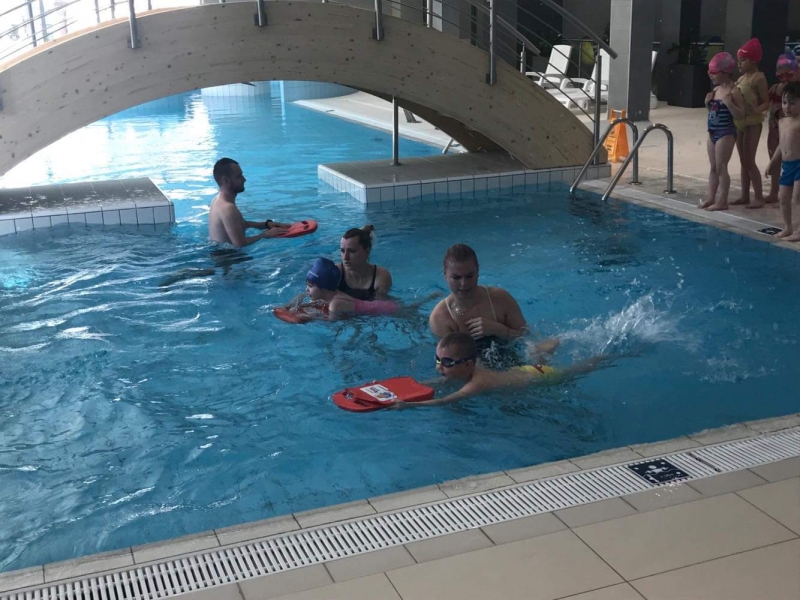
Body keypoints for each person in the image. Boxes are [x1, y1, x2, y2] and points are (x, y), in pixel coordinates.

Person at [392, 332, 606, 408]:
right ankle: (544, 350)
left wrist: (409, 405)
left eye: (446, 362)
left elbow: (444, 400)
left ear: (467, 365)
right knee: (538, 362)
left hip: (540, 377)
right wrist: (400, 389)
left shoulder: (478, 383)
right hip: (522, 370)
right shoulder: (464, 369)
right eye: (438, 360)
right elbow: (438, 383)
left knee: (573, 372)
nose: (439, 366)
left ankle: (603, 357)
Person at [429, 244, 557, 367]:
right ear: (445, 275)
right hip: (477, 372)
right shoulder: (441, 318)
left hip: (511, 358)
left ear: (478, 271)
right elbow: (450, 365)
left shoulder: (500, 299)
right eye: (456, 277)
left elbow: (527, 336)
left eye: (469, 276)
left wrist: (501, 330)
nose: (464, 283)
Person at [208, 158, 290, 247]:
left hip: (219, 251)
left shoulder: (217, 200)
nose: (244, 179)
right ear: (226, 180)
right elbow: (240, 244)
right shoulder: (228, 208)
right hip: (229, 255)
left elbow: (242, 224)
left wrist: (267, 224)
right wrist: (267, 234)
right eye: (239, 176)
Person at [700, 53, 745, 211]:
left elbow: (741, 114)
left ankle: (722, 201)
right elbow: (713, 113)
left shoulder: (734, 91)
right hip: (712, 132)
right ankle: (711, 198)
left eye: (713, 72)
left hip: (726, 133)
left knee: (721, 167)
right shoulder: (716, 89)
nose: (710, 75)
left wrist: (729, 104)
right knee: (713, 167)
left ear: (725, 73)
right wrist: (707, 104)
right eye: (709, 72)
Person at [732, 39, 769, 209]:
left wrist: (757, 110)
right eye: (738, 60)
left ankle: (759, 197)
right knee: (743, 160)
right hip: (740, 122)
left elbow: (766, 102)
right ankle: (745, 195)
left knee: (749, 160)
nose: (739, 63)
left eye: (743, 60)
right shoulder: (741, 78)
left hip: (753, 123)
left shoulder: (758, 78)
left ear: (754, 60)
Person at [302, 258, 401, 320]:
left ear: (324, 288)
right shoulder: (331, 295)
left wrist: (306, 317)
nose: (306, 289)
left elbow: (331, 321)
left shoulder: (336, 303)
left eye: (310, 286)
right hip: (384, 306)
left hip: (388, 310)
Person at [765, 82, 800, 242]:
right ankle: (788, 228)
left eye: (792, 103)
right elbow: (781, 145)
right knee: (783, 199)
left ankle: (799, 230)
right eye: (785, 102)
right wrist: (772, 163)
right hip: (787, 166)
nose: (787, 107)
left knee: (797, 198)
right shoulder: (782, 122)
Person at [765, 54, 800, 204]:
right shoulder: (776, 88)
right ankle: (774, 192)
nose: (785, 78)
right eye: (780, 75)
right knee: (775, 158)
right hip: (777, 127)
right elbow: (766, 104)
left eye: (789, 75)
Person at [338, 225, 392, 300]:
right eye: (342, 251)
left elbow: (380, 305)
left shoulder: (380, 277)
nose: (345, 257)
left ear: (367, 252)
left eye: (352, 251)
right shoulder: (336, 273)